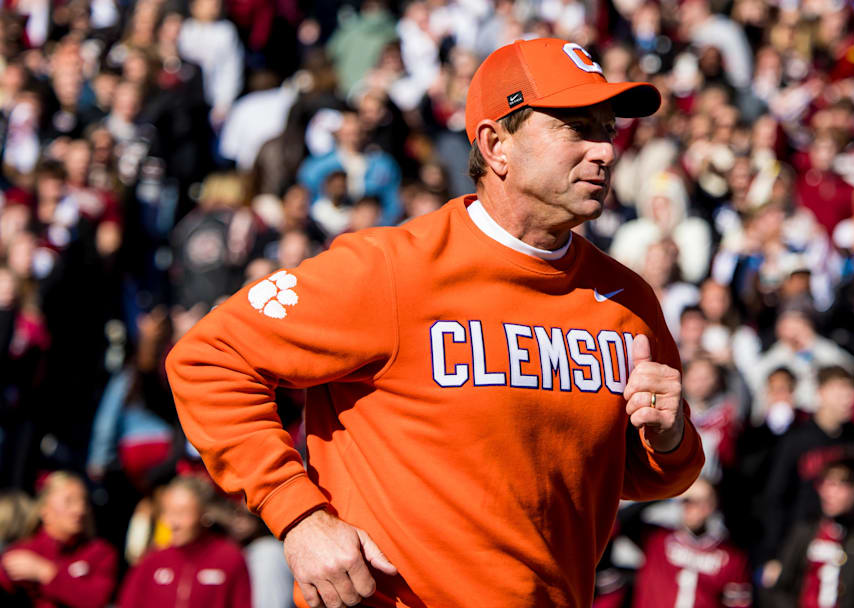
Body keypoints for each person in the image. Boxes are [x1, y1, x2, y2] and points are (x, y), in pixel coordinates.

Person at [166, 37, 704, 608]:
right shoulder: (392, 268)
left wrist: (668, 440)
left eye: (608, 131)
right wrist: (298, 516)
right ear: (496, 145)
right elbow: (206, 359)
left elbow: (633, 476)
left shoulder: (627, 299)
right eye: (577, 128)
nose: (604, 151)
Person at [760, 366, 854, 564]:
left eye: (850, 392)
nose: (847, 399)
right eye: (839, 392)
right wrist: (774, 553)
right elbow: (776, 498)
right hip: (800, 544)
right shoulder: (797, 439)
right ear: (820, 393)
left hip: (845, 545)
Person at [762, 457, 854, 608]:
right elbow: (781, 588)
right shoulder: (804, 532)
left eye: (838, 485)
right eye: (825, 484)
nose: (829, 493)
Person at [117, 476, 251, 608]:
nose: (173, 523)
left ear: (204, 514)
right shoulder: (152, 562)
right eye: (168, 513)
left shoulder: (230, 559)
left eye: (182, 513)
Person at [0, 472, 117, 608]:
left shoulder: (100, 553)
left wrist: (46, 573)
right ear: (44, 510)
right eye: (69, 501)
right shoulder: (23, 553)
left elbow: (96, 600)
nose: (79, 509)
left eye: (83, 501)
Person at [631, 478, 752, 608]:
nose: (692, 507)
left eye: (702, 502)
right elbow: (622, 519)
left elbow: (739, 604)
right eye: (688, 501)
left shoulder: (730, 557)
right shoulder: (657, 540)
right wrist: (667, 492)